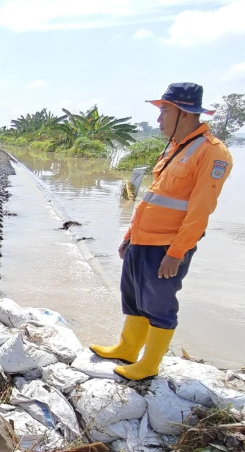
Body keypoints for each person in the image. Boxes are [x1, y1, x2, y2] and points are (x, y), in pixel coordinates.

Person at [90, 83, 232, 381]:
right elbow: (151, 198)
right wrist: (130, 236)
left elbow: (200, 211)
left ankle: (149, 365)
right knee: (134, 298)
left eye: (164, 111)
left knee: (158, 305)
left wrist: (176, 253)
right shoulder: (175, 147)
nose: (158, 119)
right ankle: (127, 349)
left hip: (166, 246)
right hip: (142, 240)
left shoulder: (212, 153)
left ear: (184, 112)